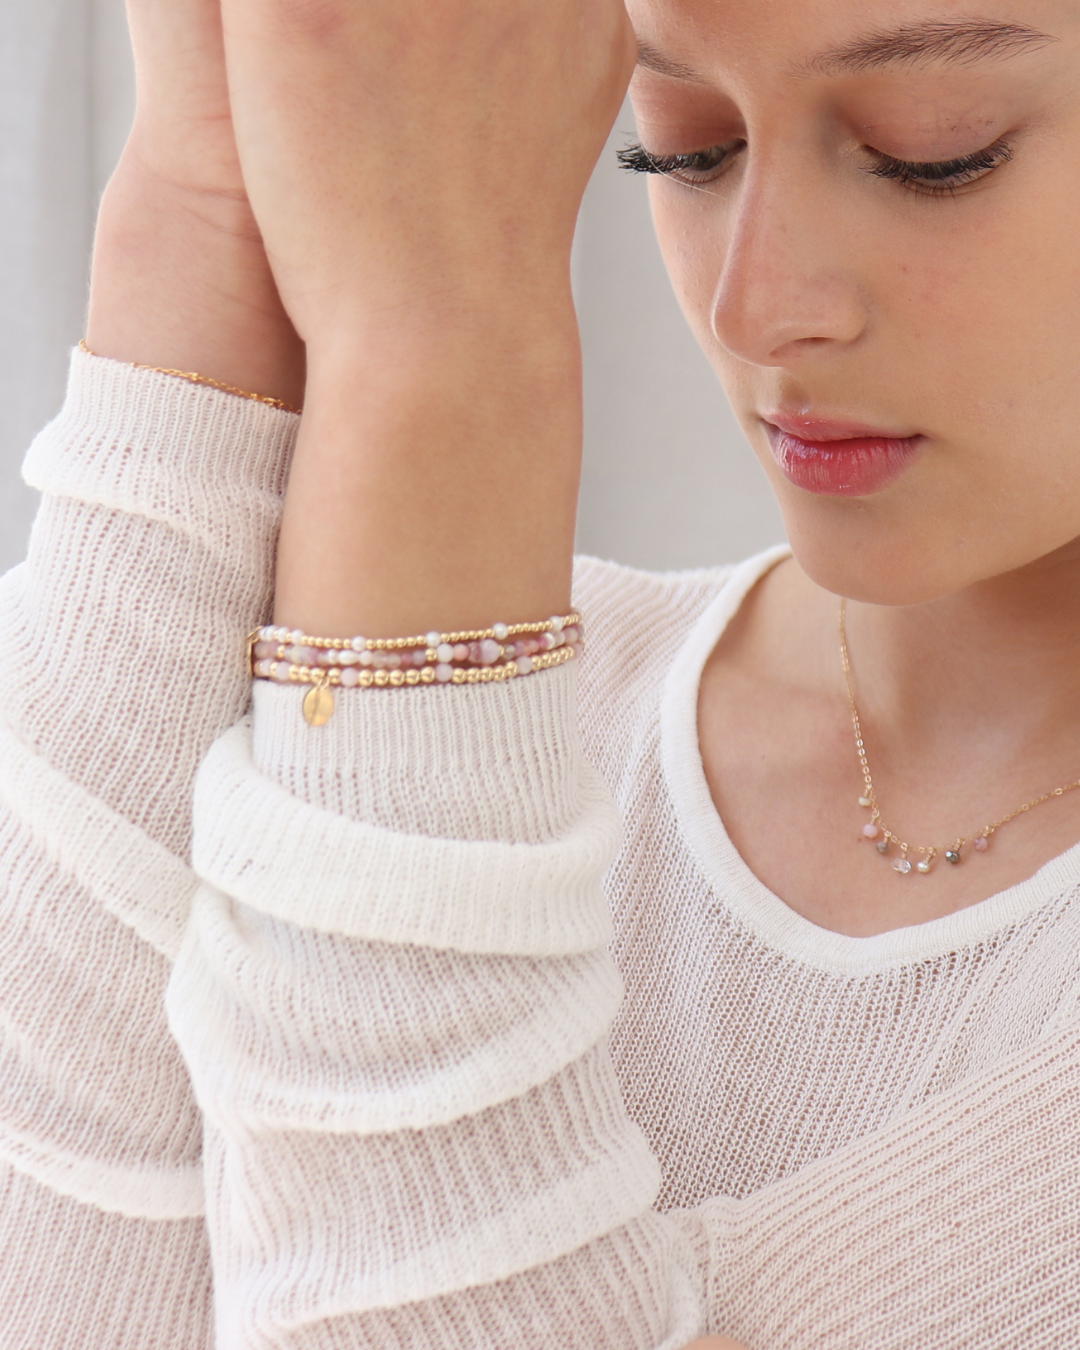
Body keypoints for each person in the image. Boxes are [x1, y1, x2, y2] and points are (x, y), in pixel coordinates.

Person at [2, 0, 1078, 1343]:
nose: (756, 309)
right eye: (686, 149)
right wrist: (202, 188)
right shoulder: (465, 699)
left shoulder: (417, 678)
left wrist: (443, 348)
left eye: (936, 153)